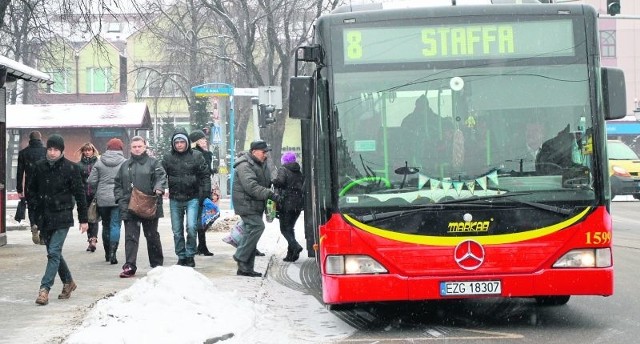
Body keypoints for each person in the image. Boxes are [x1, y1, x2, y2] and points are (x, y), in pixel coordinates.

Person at [27, 134, 89, 305]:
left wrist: (84, 220)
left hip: (62, 216)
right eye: (50, 149)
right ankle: (68, 282)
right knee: (54, 253)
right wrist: (33, 218)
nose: (52, 153)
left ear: (61, 151)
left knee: (53, 252)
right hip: (44, 217)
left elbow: (80, 194)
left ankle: (44, 289)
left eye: (56, 149)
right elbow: (31, 193)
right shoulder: (39, 167)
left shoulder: (71, 168)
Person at [114, 136, 167, 278]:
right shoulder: (125, 165)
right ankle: (129, 266)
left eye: (139, 146)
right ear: (130, 148)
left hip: (149, 205)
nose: (137, 149)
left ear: (145, 147)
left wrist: (158, 188)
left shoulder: (153, 163)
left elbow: (161, 177)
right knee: (130, 237)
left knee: (152, 236)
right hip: (129, 207)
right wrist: (120, 200)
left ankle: (157, 265)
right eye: (134, 147)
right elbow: (117, 184)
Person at [162, 128, 211, 268]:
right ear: (173, 143)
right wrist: (161, 187)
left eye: (182, 141)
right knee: (177, 230)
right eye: (176, 142)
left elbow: (205, 175)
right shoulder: (168, 158)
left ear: (187, 142)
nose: (179, 144)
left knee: (191, 227)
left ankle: (190, 254)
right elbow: (160, 174)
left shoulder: (196, 156)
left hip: (193, 198)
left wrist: (205, 194)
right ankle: (181, 255)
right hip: (175, 198)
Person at [232, 140, 281, 277]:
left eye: (266, 152)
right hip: (246, 203)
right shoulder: (244, 165)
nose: (265, 155)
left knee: (251, 233)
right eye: (263, 152)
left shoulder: (260, 163)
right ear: (254, 151)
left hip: (256, 203)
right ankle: (240, 255)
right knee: (256, 227)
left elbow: (265, 181)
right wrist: (270, 194)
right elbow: (251, 187)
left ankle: (245, 268)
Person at [87, 138, 126, 264]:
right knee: (115, 225)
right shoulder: (124, 162)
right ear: (121, 148)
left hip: (103, 199)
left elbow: (91, 181)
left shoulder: (99, 162)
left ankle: (107, 254)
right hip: (117, 198)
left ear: (107, 148)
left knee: (105, 225)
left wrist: (99, 188)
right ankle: (114, 253)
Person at [272, 151, 305, 262]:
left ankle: (295, 246)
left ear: (284, 160)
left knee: (284, 229)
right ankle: (291, 255)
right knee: (290, 228)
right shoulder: (298, 171)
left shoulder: (283, 169)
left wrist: (273, 182)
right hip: (298, 204)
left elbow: (280, 182)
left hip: (286, 203)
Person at [16, 130, 47, 245]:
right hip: (44, 184)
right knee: (43, 208)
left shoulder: (23, 153)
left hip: (29, 184)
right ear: (40, 139)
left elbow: (20, 172)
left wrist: (19, 189)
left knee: (32, 207)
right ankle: (43, 235)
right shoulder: (45, 152)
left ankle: (33, 223)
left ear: (30, 139)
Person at [189, 129, 214, 256]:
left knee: (200, 218)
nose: (205, 141)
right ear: (196, 141)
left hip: (200, 189)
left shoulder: (202, 153)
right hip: (200, 190)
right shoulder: (200, 154)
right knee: (200, 219)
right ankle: (201, 246)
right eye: (202, 139)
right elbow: (204, 172)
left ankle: (201, 245)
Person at [76, 142, 100, 252]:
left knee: (93, 217)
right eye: (85, 150)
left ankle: (93, 239)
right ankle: (90, 240)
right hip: (84, 194)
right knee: (86, 219)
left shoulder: (98, 163)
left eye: (89, 150)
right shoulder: (79, 165)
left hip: (95, 194)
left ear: (93, 151)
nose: (87, 152)